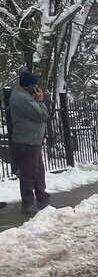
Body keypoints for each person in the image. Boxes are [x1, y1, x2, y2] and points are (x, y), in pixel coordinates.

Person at [9, 72, 50, 215]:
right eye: (35, 85)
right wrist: (40, 100)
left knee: (38, 171)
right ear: (30, 86)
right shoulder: (22, 98)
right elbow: (42, 115)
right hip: (26, 141)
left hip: (32, 141)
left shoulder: (26, 97)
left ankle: (41, 196)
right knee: (29, 173)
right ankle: (27, 203)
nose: (37, 88)